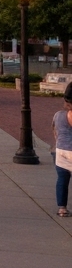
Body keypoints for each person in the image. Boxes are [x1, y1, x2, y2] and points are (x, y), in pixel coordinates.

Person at [54, 86, 72, 219]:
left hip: (60, 150)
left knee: (62, 180)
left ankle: (62, 209)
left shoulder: (58, 114)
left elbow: (55, 132)